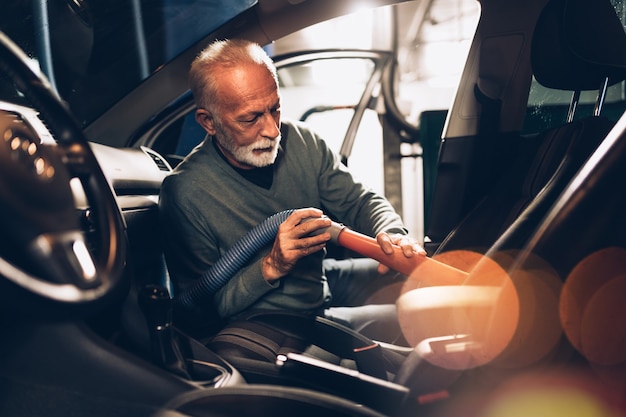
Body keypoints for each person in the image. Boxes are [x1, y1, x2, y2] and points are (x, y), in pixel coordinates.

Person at [159, 38, 425, 349]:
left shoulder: (303, 141)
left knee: (417, 278)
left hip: (318, 281)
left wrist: (392, 234)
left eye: (275, 109)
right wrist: (271, 266)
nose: (272, 129)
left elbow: (358, 200)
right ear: (209, 122)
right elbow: (199, 308)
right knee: (417, 317)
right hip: (276, 323)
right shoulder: (186, 193)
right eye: (251, 118)